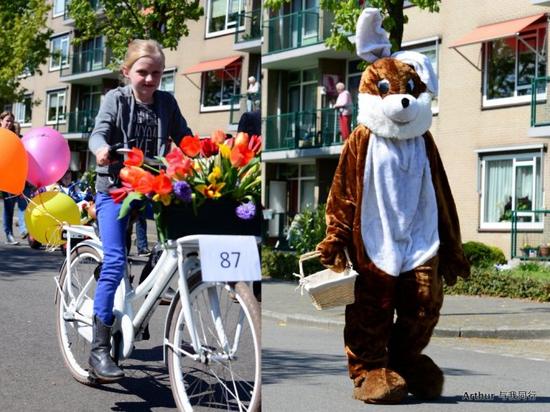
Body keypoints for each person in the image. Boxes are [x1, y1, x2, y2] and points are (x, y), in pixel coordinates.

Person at [88, 39, 192, 383]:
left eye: (156, 74)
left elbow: (186, 139)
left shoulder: (167, 102)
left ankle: (136, 307)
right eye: (142, 73)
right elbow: (98, 133)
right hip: (115, 191)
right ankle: (99, 348)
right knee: (116, 261)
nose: (149, 80)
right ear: (127, 72)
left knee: (173, 246)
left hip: (153, 189)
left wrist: (203, 156)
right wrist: (102, 149)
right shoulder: (115, 99)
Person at [1, 111, 20, 245]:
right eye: (7, 120)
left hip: (8, 175)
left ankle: (9, 234)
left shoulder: (14, 136)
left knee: (9, 206)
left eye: (11, 121)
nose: (9, 123)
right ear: (1, 121)